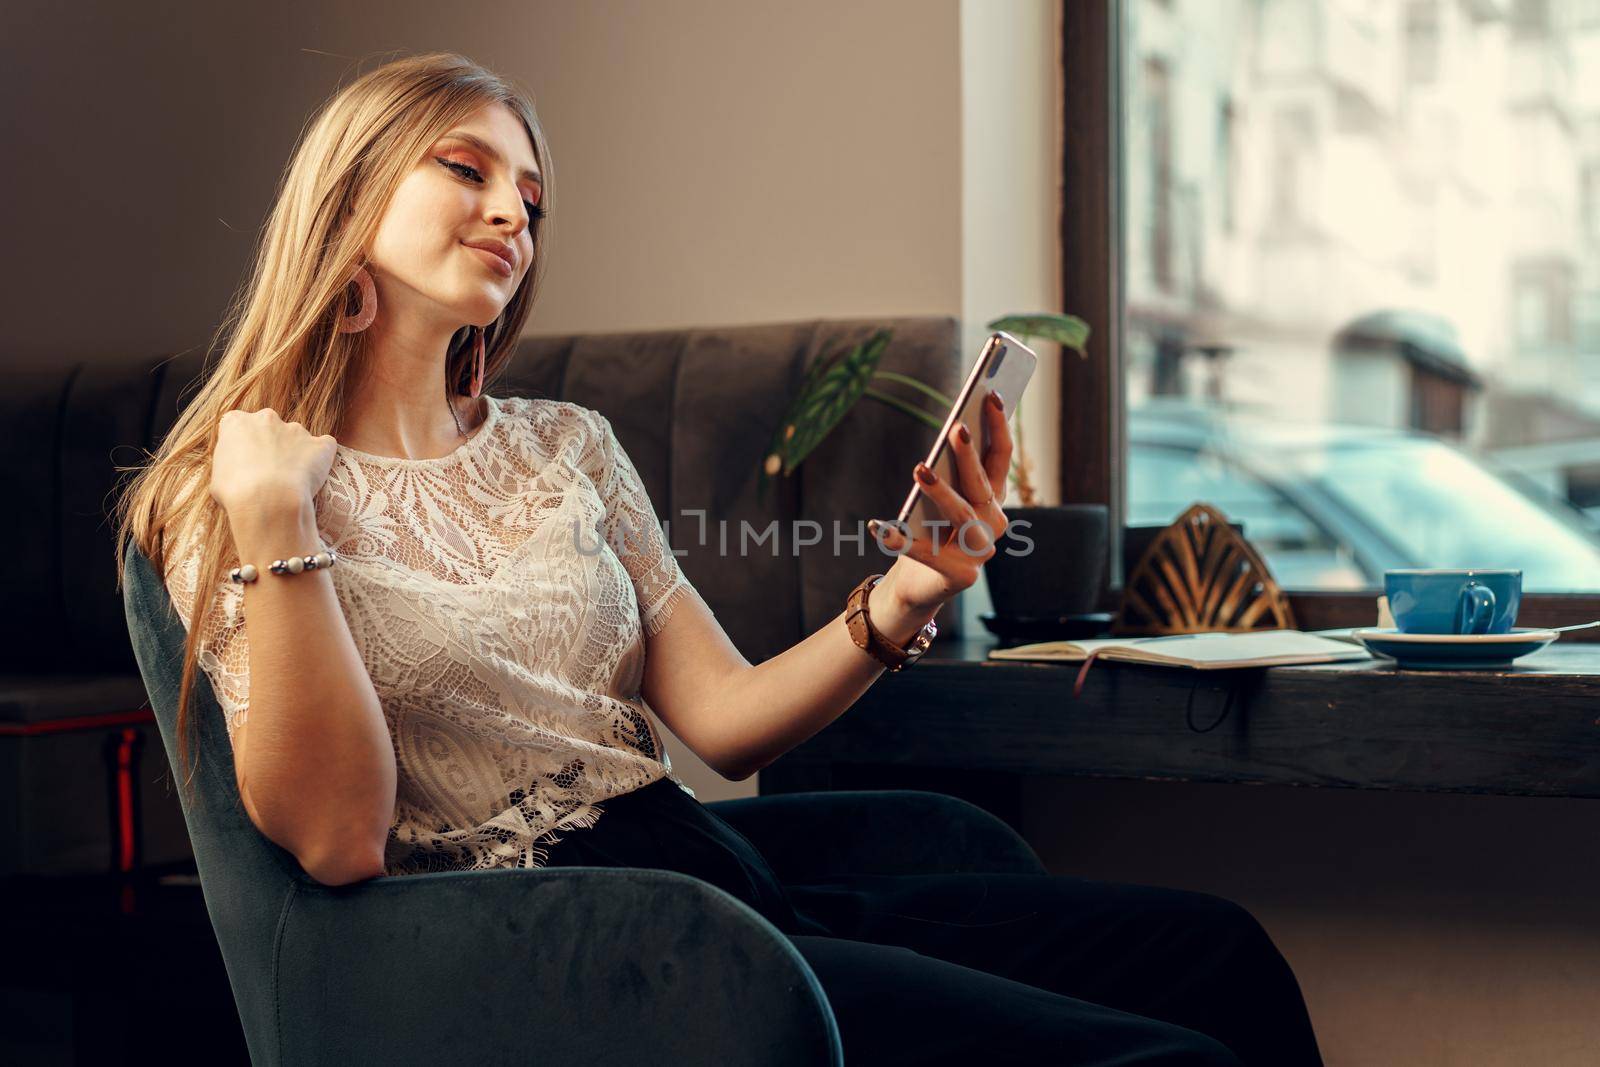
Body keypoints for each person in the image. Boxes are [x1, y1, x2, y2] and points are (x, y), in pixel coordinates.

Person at [112, 51, 1323, 1066]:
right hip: (573, 946)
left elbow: (726, 719)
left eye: (531, 196)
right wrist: (280, 526)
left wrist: (908, 588)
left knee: (1214, 949)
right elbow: (337, 839)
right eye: (466, 169)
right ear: (349, 195)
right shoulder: (224, 487)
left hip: (709, 871)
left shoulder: (565, 443)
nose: (511, 213)